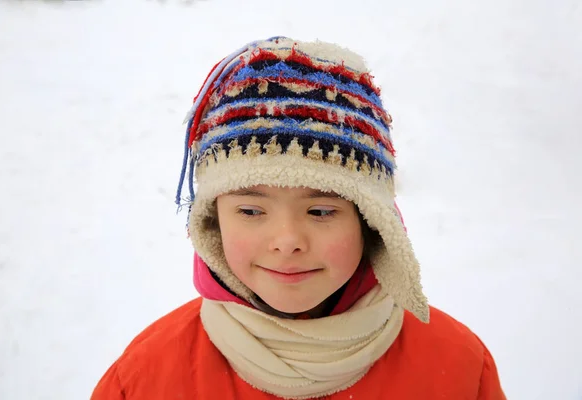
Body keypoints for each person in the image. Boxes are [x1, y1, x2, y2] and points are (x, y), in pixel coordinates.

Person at [91, 36, 506, 399]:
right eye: (251, 210)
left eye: (322, 210)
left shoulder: (458, 368)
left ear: (372, 222)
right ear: (212, 222)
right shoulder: (146, 379)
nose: (287, 240)